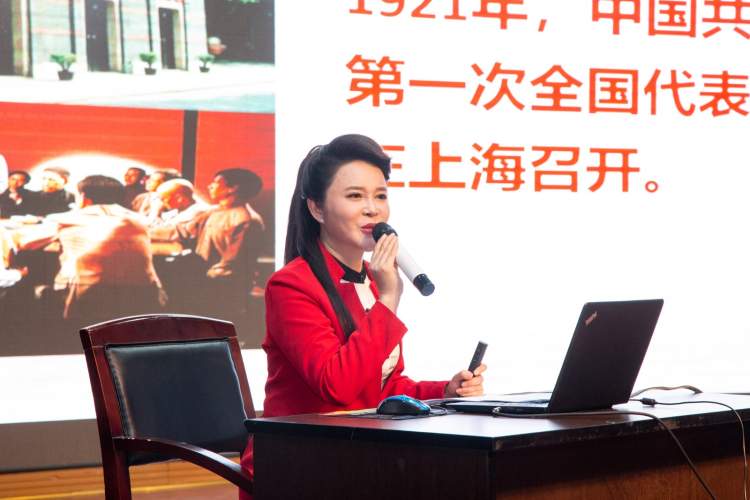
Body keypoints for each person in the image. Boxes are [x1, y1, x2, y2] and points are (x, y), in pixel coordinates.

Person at [239, 135, 485, 496]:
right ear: (317, 209)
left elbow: (383, 389)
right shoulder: (291, 285)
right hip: (299, 463)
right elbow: (337, 386)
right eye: (355, 196)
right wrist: (388, 300)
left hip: (363, 456)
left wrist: (445, 391)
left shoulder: (374, 279)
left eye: (380, 196)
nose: (373, 209)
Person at [17, 175, 165, 325]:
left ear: (83, 197)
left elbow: (25, 243)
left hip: (87, 294)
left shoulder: (64, 219)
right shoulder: (140, 220)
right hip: (144, 294)